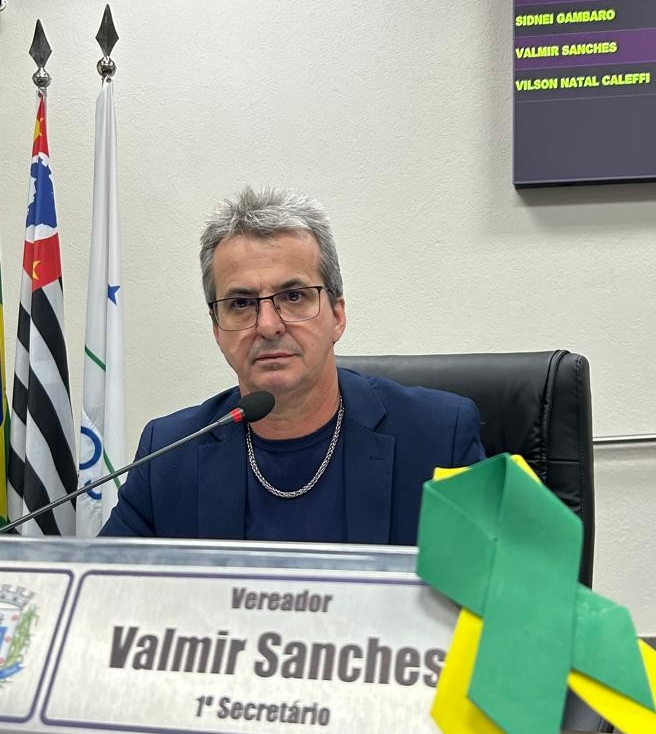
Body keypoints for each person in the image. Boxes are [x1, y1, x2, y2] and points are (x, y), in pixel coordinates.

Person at [100, 186, 485, 543]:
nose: (268, 325)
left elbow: (495, 586)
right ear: (217, 329)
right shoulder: (168, 454)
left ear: (337, 315)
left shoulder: (439, 438)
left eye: (294, 296)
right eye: (241, 303)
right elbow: (102, 586)